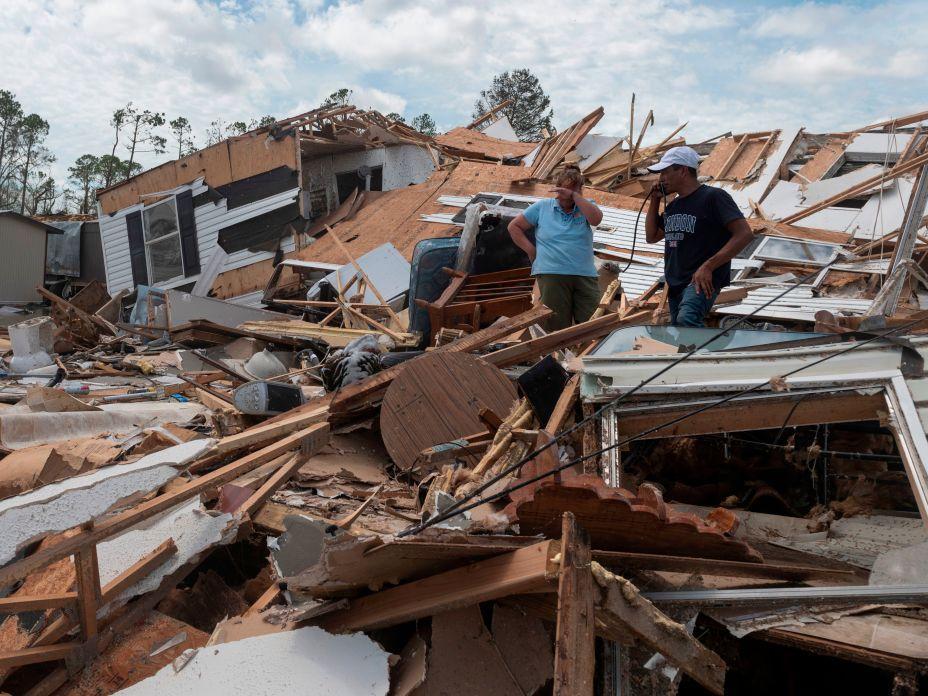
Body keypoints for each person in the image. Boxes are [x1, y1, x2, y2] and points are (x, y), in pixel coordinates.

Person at [644, 146, 753, 327]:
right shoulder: (673, 206)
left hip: (700, 280)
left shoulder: (713, 197)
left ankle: (710, 354)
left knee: (687, 320)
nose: (661, 178)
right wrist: (654, 199)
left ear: (683, 171)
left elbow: (744, 234)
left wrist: (709, 266)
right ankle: (697, 355)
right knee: (681, 332)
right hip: (676, 281)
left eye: (665, 172)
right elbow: (651, 236)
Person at [507, 165, 604, 330]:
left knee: (592, 324)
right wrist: (532, 251)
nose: (566, 198)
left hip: (584, 274)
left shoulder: (585, 205)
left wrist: (575, 197)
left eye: (572, 192)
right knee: (555, 325)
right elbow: (514, 227)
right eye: (563, 192)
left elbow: (596, 219)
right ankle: (556, 355)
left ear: (580, 190)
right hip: (552, 273)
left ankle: (584, 354)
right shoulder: (543, 207)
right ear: (557, 189)